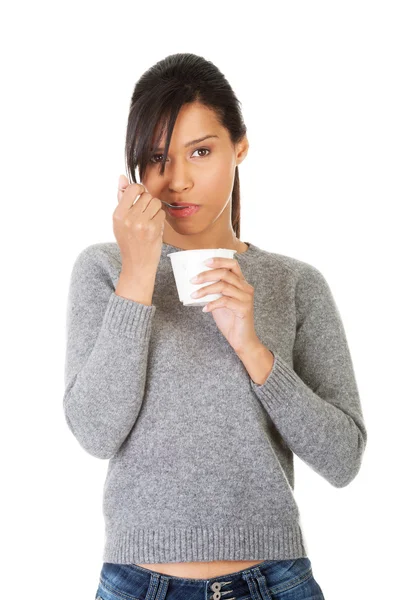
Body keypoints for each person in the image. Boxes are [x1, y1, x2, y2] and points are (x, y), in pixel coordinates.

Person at [63, 53, 367, 600]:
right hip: (137, 584)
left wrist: (254, 349)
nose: (178, 180)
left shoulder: (294, 283)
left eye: (201, 151)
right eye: (158, 158)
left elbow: (343, 459)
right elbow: (94, 432)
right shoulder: (104, 269)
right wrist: (138, 273)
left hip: (274, 581)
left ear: (240, 147)